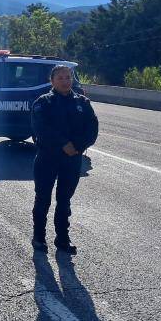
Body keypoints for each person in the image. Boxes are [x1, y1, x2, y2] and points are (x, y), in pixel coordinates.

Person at [30, 65, 98, 254]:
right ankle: (39, 238)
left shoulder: (82, 103)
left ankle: (62, 240)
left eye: (68, 77)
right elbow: (41, 128)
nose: (65, 81)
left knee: (64, 201)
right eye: (60, 78)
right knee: (42, 199)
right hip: (47, 158)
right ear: (52, 81)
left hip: (72, 159)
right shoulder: (43, 103)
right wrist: (63, 144)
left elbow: (92, 129)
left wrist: (77, 146)